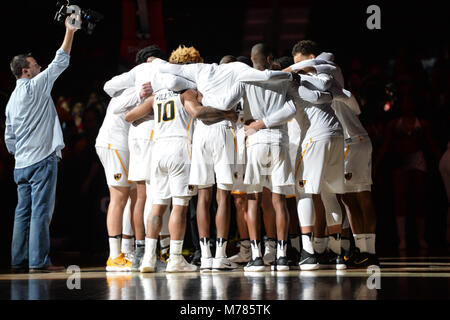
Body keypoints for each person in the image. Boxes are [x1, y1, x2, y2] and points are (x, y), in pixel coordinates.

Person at [125, 47, 238, 273]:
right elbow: (196, 113)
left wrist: (152, 116)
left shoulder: (158, 93)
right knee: (179, 206)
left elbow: (130, 117)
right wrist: (226, 114)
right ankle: (175, 258)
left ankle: (148, 257)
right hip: (180, 149)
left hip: (158, 149)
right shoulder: (187, 91)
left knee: (157, 204)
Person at [5, 16, 78, 273]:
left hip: (21, 165)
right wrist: (70, 31)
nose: (39, 67)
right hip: (40, 161)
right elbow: (60, 61)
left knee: (22, 213)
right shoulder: (36, 86)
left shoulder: (11, 100)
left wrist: (21, 154)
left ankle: (18, 260)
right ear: (26, 71)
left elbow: (9, 138)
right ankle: (38, 262)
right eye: (36, 65)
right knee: (40, 213)